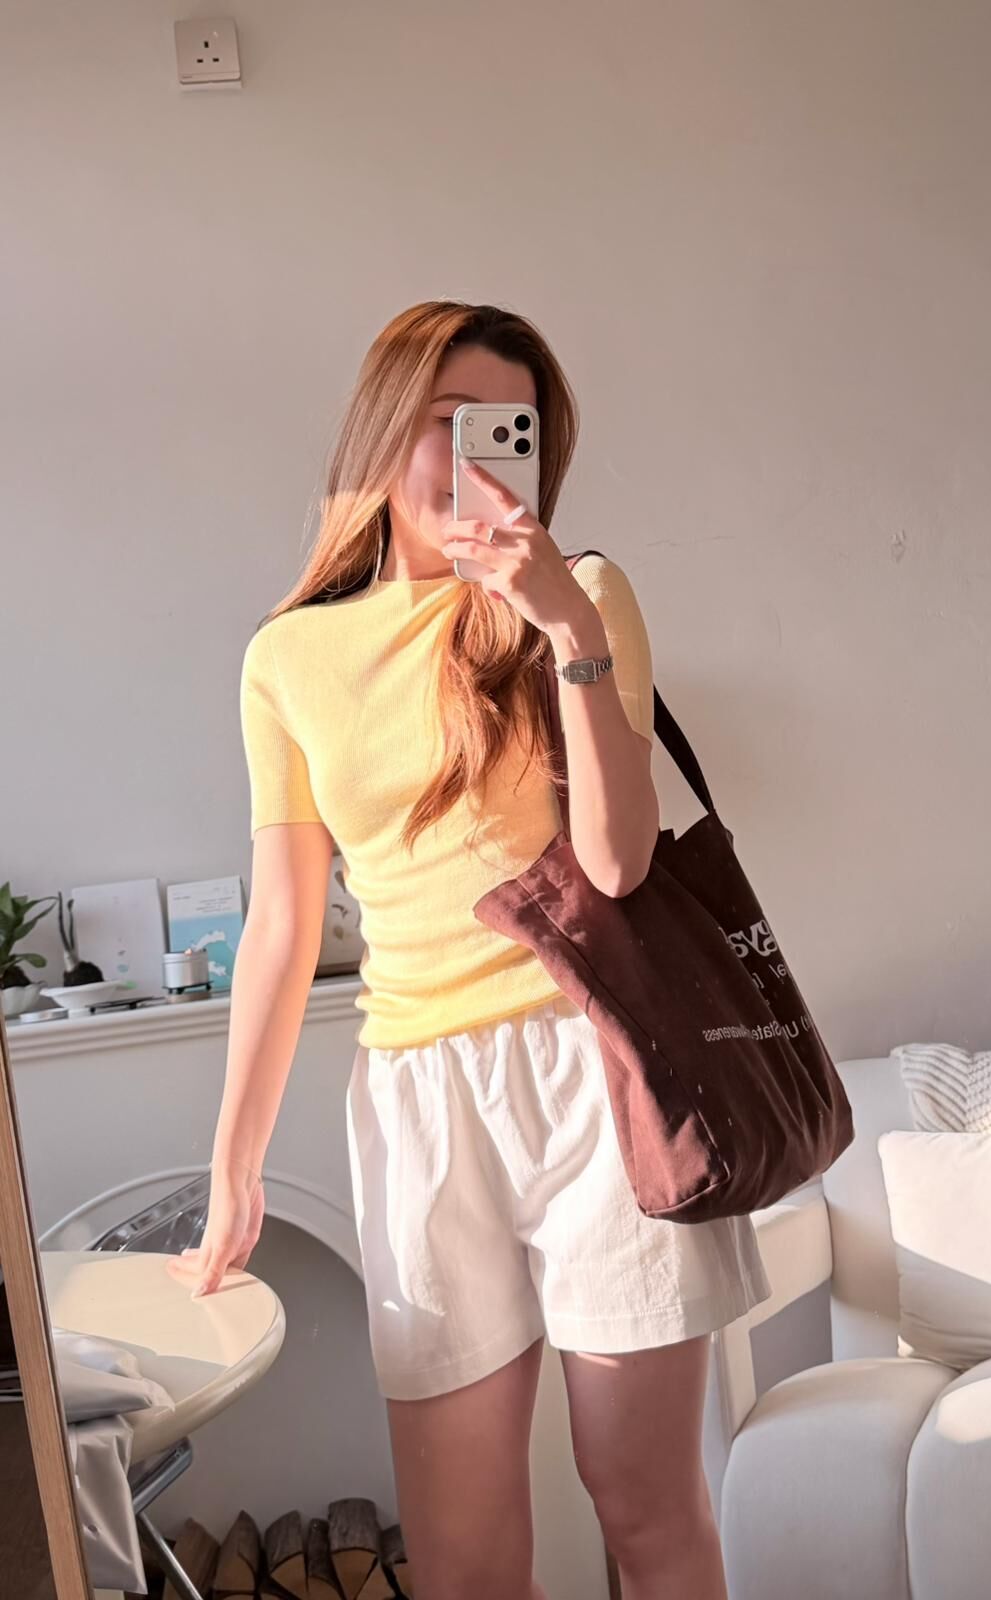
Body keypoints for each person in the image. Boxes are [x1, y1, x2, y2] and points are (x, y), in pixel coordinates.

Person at [169, 301, 770, 1600]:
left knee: (645, 1506)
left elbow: (618, 862)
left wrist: (568, 632)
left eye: (509, 432)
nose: (474, 458)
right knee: (462, 1559)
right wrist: (234, 1167)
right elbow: (282, 924)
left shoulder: (583, 598)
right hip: (418, 1102)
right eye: (447, 424)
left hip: (601, 1077)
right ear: (385, 430)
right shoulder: (288, 659)